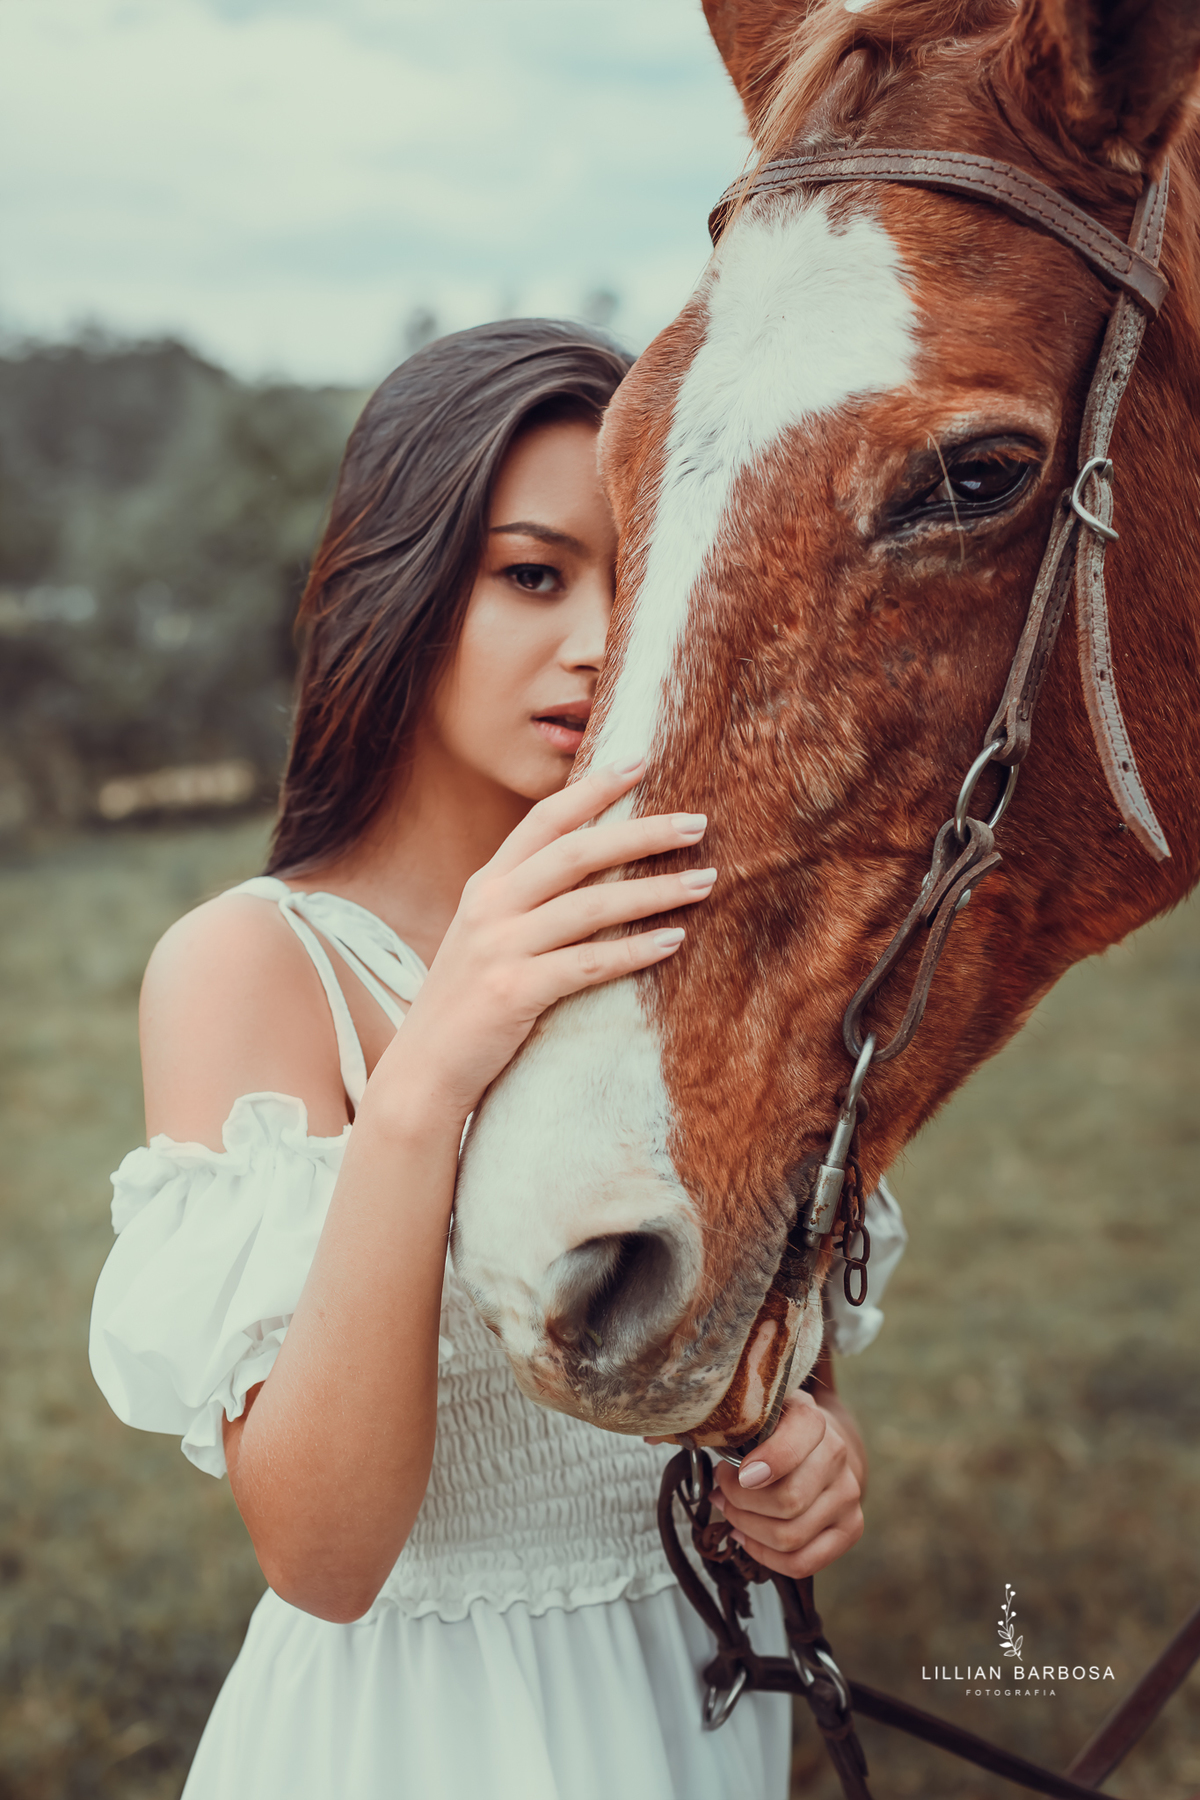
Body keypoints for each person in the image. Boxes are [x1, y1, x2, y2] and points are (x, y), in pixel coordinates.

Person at [89, 318, 906, 1800]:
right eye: (534, 574)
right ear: (398, 585)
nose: (600, 640)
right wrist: (430, 1074)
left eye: (638, 580)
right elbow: (324, 1558)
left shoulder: (690, 947)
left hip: (700, 1708)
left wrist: (807, 1463)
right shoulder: (256, 968)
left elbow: (780, 1371)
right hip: (421, 1738)